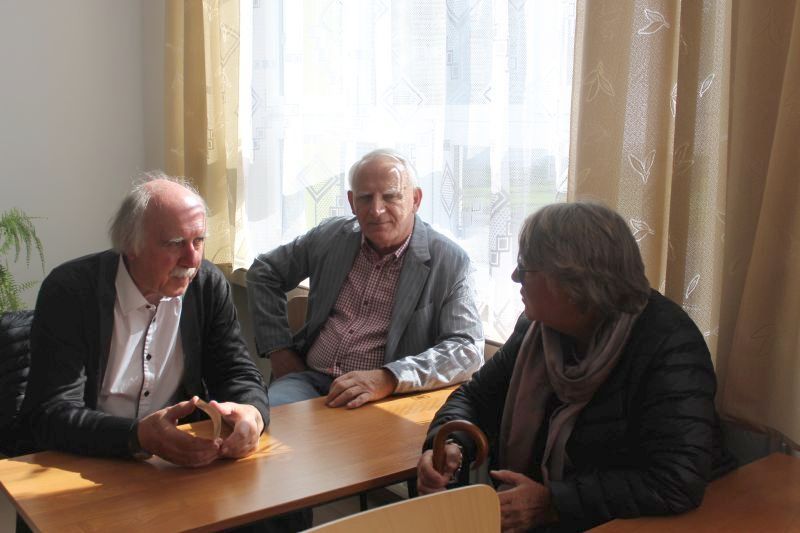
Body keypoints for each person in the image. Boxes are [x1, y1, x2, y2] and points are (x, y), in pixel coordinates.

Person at [416, 201, 735, 532]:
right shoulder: (536, 328)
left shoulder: (667, 343)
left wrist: (553, 502)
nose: (514, 277)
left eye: (525, 267)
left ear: (571, 280)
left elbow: (677, 479)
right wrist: (449, 443)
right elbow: (475, 397)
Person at [21, 174, 268, 467]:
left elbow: (236, 372)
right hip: (87, 458)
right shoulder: (70, 292)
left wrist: (251, 413)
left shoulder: (207, 285)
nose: (192, 260)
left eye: (198, 241)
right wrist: (137, 436)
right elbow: (51, 411)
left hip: (178, 462)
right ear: (131, 246)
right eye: (175, 243)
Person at [247, 148, 484, 408]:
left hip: (383, 397)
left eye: (391, 197)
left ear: (415, 199)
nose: (377, 210)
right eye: (366, 198)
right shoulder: (331, 237)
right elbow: (264, 272)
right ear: (352, 202)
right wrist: (279, 349)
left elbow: (467, 349)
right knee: (263, 426)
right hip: (307, 380)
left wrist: (390, 377)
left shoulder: (450, 261)